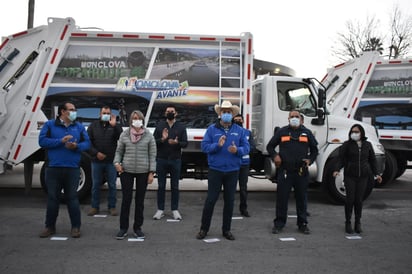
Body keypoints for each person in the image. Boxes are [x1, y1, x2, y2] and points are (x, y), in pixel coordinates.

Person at [196, 101, 250, 241]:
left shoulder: (239, 131)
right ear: (220, 114)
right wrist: (217, 146)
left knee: (229, 201)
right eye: (224, 112)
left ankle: (226, 230)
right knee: (211, 200)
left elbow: (247, 148)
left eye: (229, 112)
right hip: (216, 170)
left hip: (232, 171)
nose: (226, 114)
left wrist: (237, 150)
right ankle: (204, 229)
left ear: (232, 114)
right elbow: (204, 147)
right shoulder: (212, 129)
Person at [38, 102, 91, 238]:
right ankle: (49, 227)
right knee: (52, 199)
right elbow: (42, 141)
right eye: (71, 110)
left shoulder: (78, 126)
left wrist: (76, 146)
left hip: (72, 168)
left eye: (75, 109)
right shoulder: (50, 125)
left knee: (72, 198)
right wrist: (60, 141)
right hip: (53, 168)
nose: (74, 112)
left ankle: (76, 227)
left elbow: (87, 143)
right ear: (62, 111)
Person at [266, 110, 318, 235]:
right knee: (282, 199)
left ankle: (302, 224)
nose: (294, 118)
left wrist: (310, 160)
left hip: (301, 172)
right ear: (288, 119)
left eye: (297, 117)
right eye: (292, 117)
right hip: (285, 171)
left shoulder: (307, 133)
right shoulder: (282, 132)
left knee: (302, 199)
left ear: (301, 119)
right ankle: (279, 224)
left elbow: (315, 150)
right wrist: (275, 156)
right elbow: (270, 146)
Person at [113, 110, 156, 240]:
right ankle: (123, 228)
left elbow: (152, 155)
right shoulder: (124, 134)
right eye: (134, 118)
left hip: (143, 172)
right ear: (131, 120)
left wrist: (151, 172)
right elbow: (119, 151)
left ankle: (138, 228)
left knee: (140, 201)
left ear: (142, 120)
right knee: (126, 200)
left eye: (139, 118)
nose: (136, 120)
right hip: (127, 171)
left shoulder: (148, 135)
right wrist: (116, 162)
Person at [332, 124, 382, 234]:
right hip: (350, 175)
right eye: (352, 132)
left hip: (363, 176)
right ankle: (348, 222)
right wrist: (336, 169)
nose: (354, 134)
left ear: (361, 133)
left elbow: (372, 160)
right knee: (350, 199)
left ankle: (358, 222)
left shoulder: (368, 145)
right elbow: (341, 159)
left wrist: (377, 174)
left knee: (359, 200)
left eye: (356, 132)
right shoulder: (346, 145)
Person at [152, 105, 188, 220]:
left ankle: (175, 209)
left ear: (176, 113)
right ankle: (160, 209)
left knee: (175, 186)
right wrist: (162, 139)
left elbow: (185, 143)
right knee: (161, 186)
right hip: (161, 159)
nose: (170, 113)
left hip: (175, 160)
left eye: (172, 111)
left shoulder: (181, 127)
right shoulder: (159, 126)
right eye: (168, 111)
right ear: (165, 113)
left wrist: (177, 143)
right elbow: (153, 142)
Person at [87, 106, 123, 217]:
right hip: (96, 161)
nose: (106, 115)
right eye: (104, 113)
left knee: (112, 185)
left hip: (111, 161)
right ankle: (94, 207)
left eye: (108, 113)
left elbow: (121, 138)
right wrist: (96, 153)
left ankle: (112, 207)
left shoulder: (114, 126)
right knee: (96, 185)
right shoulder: (93, 126)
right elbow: (88, 143)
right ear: (100, 114)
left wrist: (114, 126)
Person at [233, 114, 256, 217]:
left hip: (244, 164)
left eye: (240, 120)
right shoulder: (230, 133)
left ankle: (243, 209)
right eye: (236, 120)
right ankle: (229, 208)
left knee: (243, 189)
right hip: (233, 164)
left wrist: (240, 150)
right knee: (231, 188)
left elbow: (252, 147)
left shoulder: (247, 133)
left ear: (243, 121)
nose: (238, 121)